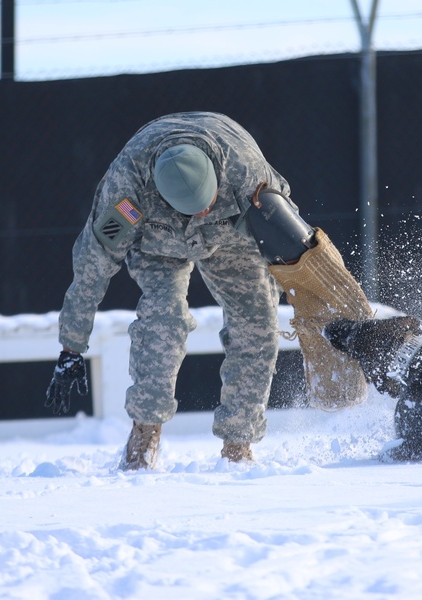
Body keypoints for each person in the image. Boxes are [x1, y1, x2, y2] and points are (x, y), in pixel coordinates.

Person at [46, 111, 371, 470]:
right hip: (158, 243)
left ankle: (238, 446)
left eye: (207, 205)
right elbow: (93, 265)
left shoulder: (249, 179)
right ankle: (145, 434)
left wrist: (343, 312)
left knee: (257, 324)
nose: (201, 214)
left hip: (231, 234)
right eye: (193, 210)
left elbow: (307, 255)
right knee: (163, 319)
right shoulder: (127, 194)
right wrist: (71, 346)